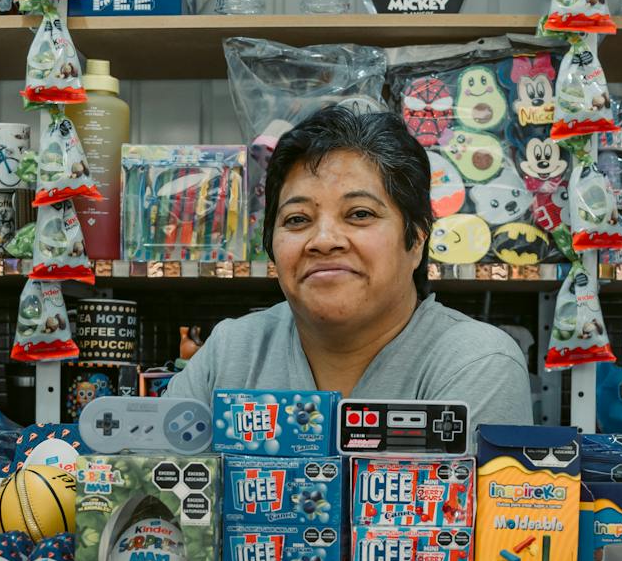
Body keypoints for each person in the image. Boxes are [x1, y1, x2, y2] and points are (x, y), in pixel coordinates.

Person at [166, 104, 533, 432]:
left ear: (417, 238)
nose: (324, 240)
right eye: (297, 219)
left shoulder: (476, 362)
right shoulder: (232, 352)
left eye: (359, 214)